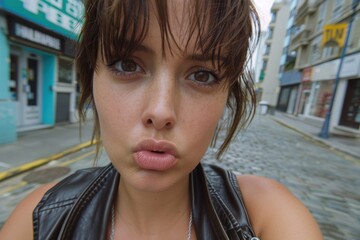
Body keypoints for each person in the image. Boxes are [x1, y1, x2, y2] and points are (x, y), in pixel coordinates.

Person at [0, 0, 323, 239]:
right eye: (127, 65)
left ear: (227, 94)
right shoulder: (40, 219)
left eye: (202, 75)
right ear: (90, 77)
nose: (161, 111)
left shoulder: (268, 218)